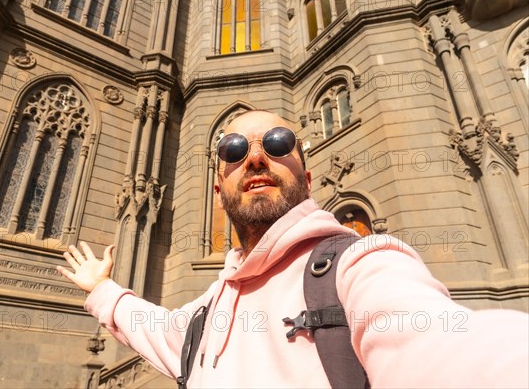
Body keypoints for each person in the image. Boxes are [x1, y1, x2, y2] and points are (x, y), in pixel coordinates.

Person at [57, 110, 529, 388]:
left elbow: (441, 347)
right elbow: (158, 329)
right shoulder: (210, 309)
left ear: (306, 178)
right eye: (234, 149)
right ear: (218, 191)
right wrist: (101, 289)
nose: (256, 156)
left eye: (278, 142)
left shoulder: (362, 263)